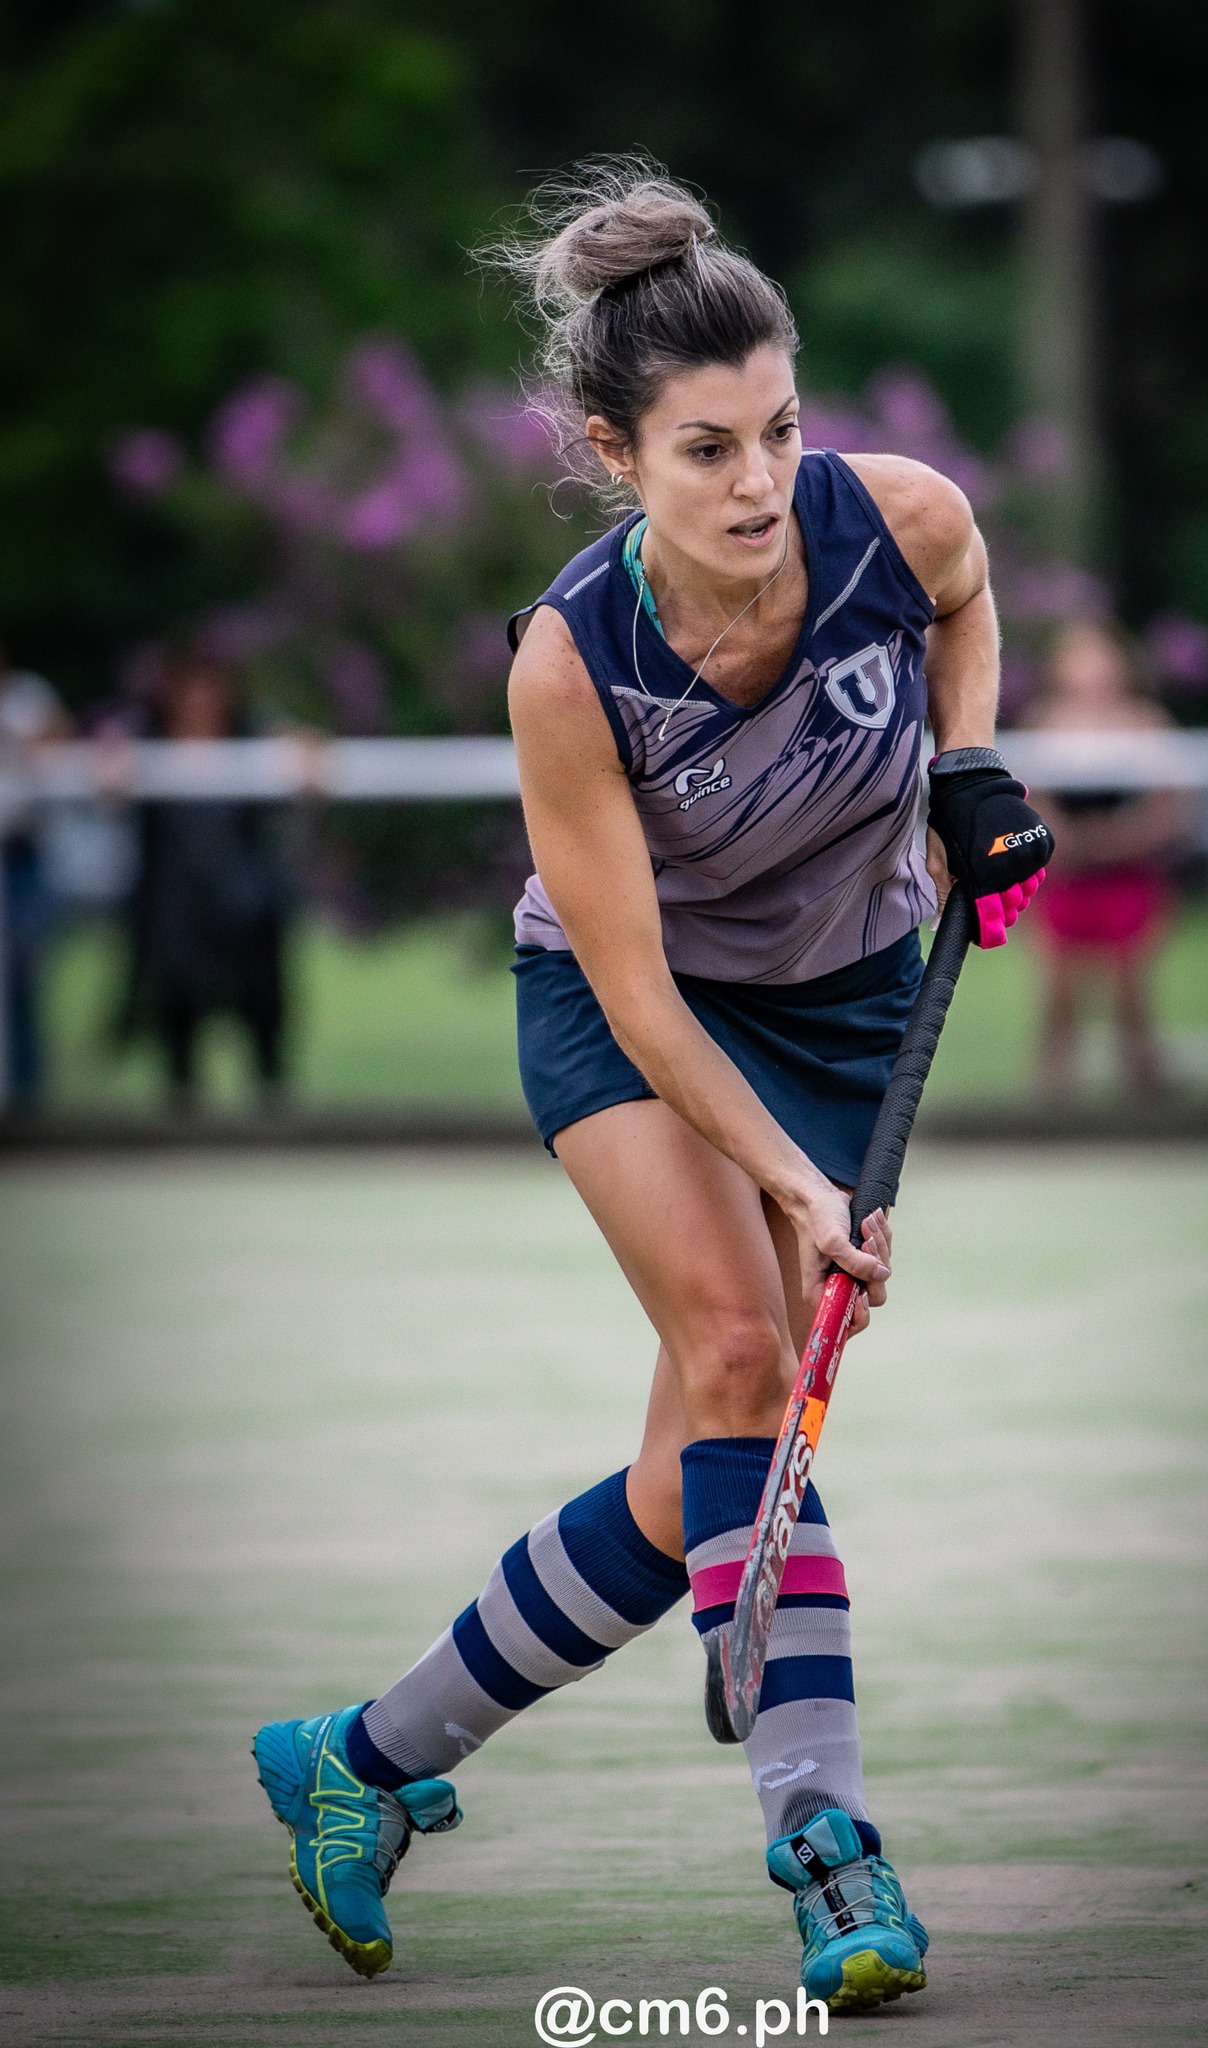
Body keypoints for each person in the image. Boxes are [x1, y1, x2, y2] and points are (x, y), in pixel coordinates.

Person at [252, 166, 1052, 2013]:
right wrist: (788, 1182)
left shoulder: (893, 520)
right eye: (704, 449)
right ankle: (827, 1849)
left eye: (776, 428)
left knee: (689, 1479)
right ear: (614, 455)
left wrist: (971, 762)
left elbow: (964, 606)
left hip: (843, 992)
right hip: (642, 1014)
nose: (758, 481)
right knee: (742, 1372)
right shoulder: (571, 663)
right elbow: (630, 981)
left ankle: (358, 1759)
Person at [1022, 621, 1190, 1096]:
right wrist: (1066, 840)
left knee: (1129, 985)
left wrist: (1119, 840)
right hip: (1064, 877)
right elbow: (1028, 799)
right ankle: (1051, 1097)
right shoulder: (1043, 722)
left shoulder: (1146, 722)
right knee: (1058, 989)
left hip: (1128, 873)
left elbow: (1173, 804)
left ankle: (1146, 1092)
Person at [120, 648, 292, 1108]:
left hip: (244, 901)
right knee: (177, 1002)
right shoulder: (146, 741)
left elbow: (301, 751)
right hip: (176, 904)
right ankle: (182, 1104)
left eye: (210, 690)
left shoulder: (252, 736)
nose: (200, 702)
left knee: (261, 1002)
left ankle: (271, 1102)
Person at [0, 646, 70, 1109]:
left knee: (23, 973)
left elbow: (58, 743)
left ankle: (27, 1096)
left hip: (18, 853)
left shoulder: (28, 696)